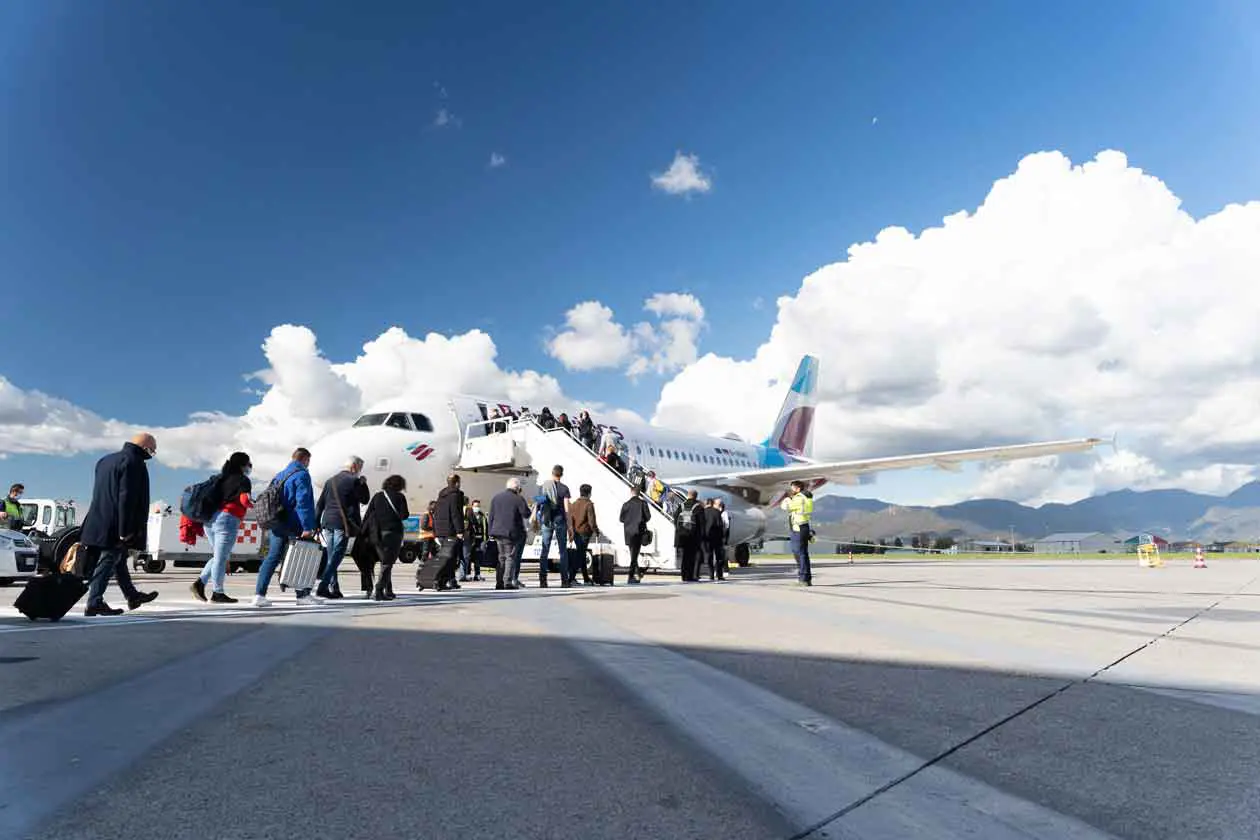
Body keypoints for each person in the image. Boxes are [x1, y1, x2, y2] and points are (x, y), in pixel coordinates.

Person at [79, 434, 160, 616]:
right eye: (152, 450)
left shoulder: (105, 460)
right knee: (108, 560)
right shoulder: (134, 462)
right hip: (116, 524)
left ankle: (132, 596)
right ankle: (94, 602)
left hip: (97, 518)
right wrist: (125, 530)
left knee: (119, 559)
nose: (152, 454)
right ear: (145, 447)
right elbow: (126, 497)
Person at [254, 447, 319, 607]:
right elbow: (303, 502)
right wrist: (307, 526)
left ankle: (259, 595)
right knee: (300, 557)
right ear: (305, 459)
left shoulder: (280, 475)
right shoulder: (302, 474)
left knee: (272, 557)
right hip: (293, 523)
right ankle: (302, 596)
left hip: (277, 522)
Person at [191, 452, 253, 605]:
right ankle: (217, 593)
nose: (249, 468)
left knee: (219, 555)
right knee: (221, 557)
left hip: (209, 520)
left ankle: (200, 583)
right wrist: (255, 505)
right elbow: (244, 500)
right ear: (242, 465)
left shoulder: (219, 478)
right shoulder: (243, 480)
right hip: (227, 519)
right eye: (248, 464)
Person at [315, 456, 370, 599]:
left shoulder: (330, 481)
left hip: (327, 523)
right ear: (354, 467)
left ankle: (334, 588)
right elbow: (365, 499)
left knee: (331, 557)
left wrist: (316, 523)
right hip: (343, 523)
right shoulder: (354, 481)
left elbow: (320, 504)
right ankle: (322, 587)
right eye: (360, 468)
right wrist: (363, 484)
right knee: (336, 557)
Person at [358, 474, 409, 601]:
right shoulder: (400, 497)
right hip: (393, 533)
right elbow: (404, 515)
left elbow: (368, 514)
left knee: (384, 562)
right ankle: (379, 589)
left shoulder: (377, 496)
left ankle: (388, 590)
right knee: (387, 563)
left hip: (376, 534)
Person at [488, 477, 531, 590]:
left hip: (497, 532)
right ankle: (507, 582)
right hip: (511, 532)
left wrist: (490, 531)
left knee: (501, 557)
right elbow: (526, 514)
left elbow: (491, 516)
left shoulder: (496, 498)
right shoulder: (518, 498)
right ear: (517, 487)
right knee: (510, 557)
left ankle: (499, 583)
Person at [536, 464, 571, 587]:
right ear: (561, 474)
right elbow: (567, 509)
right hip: (560, 520)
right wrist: (570, 526)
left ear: (552, 473)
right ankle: (565, 581)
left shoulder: (543, 487)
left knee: (545, 549)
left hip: (547, 520)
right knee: (562, 551)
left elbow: (538, 504)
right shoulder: (564, 489)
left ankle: (543, 580)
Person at [432, 473, 466, 591]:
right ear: (457, 483)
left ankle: (450, 581)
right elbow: (455, 514)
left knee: (446, 557)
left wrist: (435, 532)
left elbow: (436, 514)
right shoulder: (455, 495)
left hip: (441, 530)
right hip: (450, 530)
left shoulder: (441, 495)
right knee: (451, 559)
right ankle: (440, 581)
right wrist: (460, 530)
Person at [781, 480, 814, 586]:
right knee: (802, 553)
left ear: (798, 488)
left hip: (798, 527)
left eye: (793, 488)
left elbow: (785, 507)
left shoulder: (799, 498)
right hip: (803, 526)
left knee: (799, 553)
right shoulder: (806, 497)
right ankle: (805, 577)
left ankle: (804, 578)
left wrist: (787, 499)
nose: (791, 490)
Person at [619, 485, 651, 585]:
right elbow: (648, 517)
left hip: (628, 532)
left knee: (633, 554)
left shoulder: (626, 504)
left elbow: (621, 519)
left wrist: (629, 521)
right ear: (639, 493)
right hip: (638, 531)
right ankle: (631, 576)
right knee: (634, 555)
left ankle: (638, 573)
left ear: (631, 492)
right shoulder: (643, 503)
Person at [567, 484, 598, 586]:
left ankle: (586, 578)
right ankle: (571, 577)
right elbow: (591, 521)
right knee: (580, 555)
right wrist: (596, 531)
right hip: (584, 532)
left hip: (576, 532)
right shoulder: (588, 504)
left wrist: (571, 532)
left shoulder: (574, 504)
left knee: (582, 554)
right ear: (589, 493)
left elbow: (570, 519)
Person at [674, 489, 703, 582]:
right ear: (696, 496)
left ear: (688, 495)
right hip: (693, 536)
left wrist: (679, 530)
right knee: (691, 557)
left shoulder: (681, 506)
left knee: (684, 557)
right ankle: (690, 576)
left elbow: (675, 519)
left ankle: (683, 575)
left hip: (682, 535)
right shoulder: (698, 507)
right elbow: (702, 523)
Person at [461, 498, 488, 582]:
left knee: (478, 557)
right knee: (467, 557)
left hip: (480, 540)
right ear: (472, 506)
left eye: (478, 506)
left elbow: (485, 528)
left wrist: (485, 540)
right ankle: (467, 574)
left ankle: (477, 574)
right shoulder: (468, 514)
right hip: (470, 539)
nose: (477, 508)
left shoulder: (482, 516)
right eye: (475, 506)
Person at [702, 498, 726, 581]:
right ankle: (719, 575)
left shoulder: (703, 512)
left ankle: (711, 574)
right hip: (717, 538)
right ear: (712, 503)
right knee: (719, 557)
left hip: (707, 538)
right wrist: (722, 537)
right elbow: (720, 525)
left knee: (709, 556)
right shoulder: (717, 512)